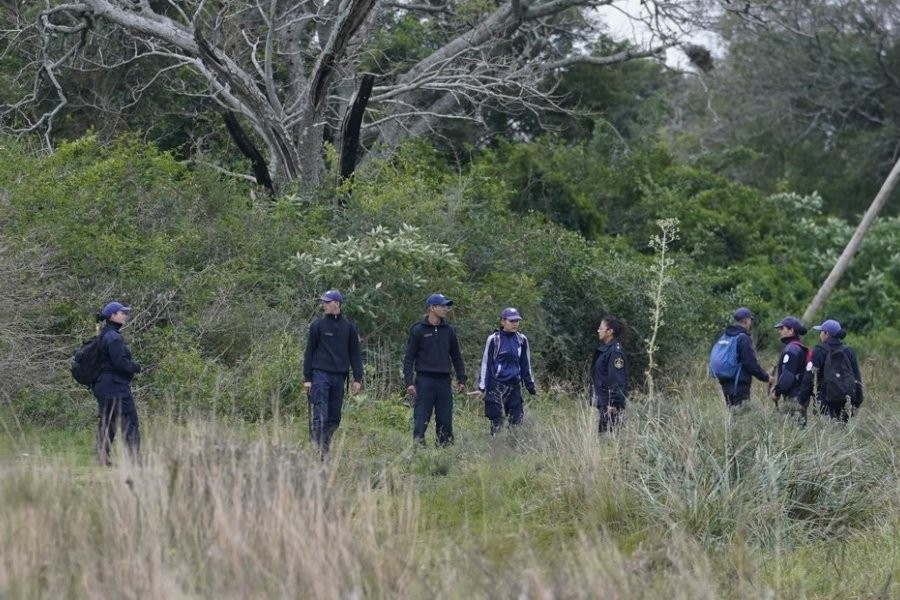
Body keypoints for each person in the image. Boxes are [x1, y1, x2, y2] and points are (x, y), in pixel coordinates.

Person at [303, 289, 364, 458]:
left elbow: (355, 354)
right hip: (320, 375)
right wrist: (308, 378)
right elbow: (309, 352)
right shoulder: (317, 325)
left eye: (327, 302)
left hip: (340, 377)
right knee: (320, 413)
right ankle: (319, 450)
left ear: (336, 303)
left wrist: (357, 378)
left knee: (334, 417)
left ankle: (324, 445)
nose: (324, 305)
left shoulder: (349, 327)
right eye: (323, 301)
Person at [403, 293, 467, 447]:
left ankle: (444, 449)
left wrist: (461, 378)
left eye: (447, 306)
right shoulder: (418, 330)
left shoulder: (449, 330)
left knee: (445, 418)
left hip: (444, 380)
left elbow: (456, 356)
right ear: (432, 308)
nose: (446, 309)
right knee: (421, 416)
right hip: (424, 380)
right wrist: (409, 382)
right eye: (442, 306)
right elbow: (409, 358)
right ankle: (419, 447)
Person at [93, 301, 142, 466]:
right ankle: (134, 459)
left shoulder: (104, 335)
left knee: (109, 421)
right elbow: (119, 362)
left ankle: (101, 457)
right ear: (112, 316)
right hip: (115, 385)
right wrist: (135, 367)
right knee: (130, 419)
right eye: (122, 313)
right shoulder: (114, 337)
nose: (125, 315)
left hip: (102, 385)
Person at [477, 307, 537, 435]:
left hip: (514, 386)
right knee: (497, 419)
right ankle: (495, 447)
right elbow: (486, 363)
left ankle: (513, 447)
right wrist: (482, 386)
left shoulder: (522, 339)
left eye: (517, 321)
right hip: (497, 385)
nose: (515, 323)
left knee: (516, 420)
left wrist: (530, 385)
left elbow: (526, 364)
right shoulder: (494, 339)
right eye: (511, 321)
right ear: (503, 322)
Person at [798, 319, 863, 422]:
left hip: (824, 402)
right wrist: (857, 401)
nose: (820, 335)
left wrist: (801, 399)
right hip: (846, 401)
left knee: (825, 434)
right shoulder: (849, 351)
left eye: (821, 332)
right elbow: (856, 377)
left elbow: (810, 377)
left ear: (827, 334)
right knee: (842, 431)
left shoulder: (819, 351)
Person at [712, 307, 771, 409]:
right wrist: (766, 377)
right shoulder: (743, 338)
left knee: (732, 414)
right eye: (750, 320)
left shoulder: (725, 335)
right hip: (739, 385)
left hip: (725, 383)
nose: (751, 323)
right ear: (746, 321)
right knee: (742, 418)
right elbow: (750, 363)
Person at [769, 316, 810, 425]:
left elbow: (788, 376)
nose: (779, 331)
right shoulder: (799, 348)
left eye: (782, 328)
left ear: (791, 331)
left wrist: (777, 391)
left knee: (793, 431)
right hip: (801, 396)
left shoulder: (791, 350)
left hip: (793, 398)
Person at [590, 316, 628, 433]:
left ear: (610, 331)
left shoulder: (615, 352)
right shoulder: (606, 350)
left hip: (610, 405)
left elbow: (617, 379)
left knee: (610, 439)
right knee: (604, 438)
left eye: (601, 328)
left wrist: (613, 403)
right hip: (604, 402)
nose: (598, 330)